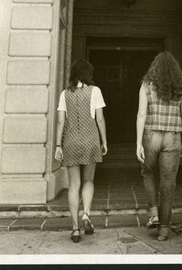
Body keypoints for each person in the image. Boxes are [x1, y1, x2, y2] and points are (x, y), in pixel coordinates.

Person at [136, 51, 182, 241]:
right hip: (172, 136)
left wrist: (138, 143)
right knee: (168, 184)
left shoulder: (146, 86)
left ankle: (153, 212)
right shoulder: (181, 89)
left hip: (152, 135)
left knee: (148, 173)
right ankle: (164, 230)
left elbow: (142, 114)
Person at [55, 59, 108, 243]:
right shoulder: (95, 91)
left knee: (74, 184)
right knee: (88, 180)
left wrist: (58, 146)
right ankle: (86, 213)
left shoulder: (64, 94)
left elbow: (61, 121)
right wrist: (104, 141)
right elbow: (100, 119)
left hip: (70, 141)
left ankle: (75, 229)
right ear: (88, 74)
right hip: (90, 140)